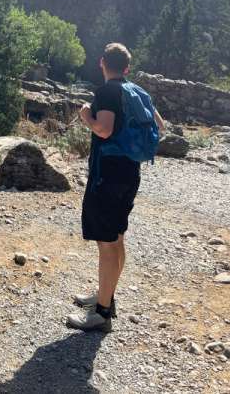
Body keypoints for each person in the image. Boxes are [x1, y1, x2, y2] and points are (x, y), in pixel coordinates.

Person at [66, 43, 166, 332]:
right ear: (127, 68)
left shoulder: (109, 91)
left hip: (107, 176)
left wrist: (87, 116)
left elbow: (104, 129)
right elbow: (159, 123)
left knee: (107, 244)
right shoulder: (138, 92)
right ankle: (106, 295)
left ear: (101, 63)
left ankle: (102, 313)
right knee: (117, 238)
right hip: (129, 173)